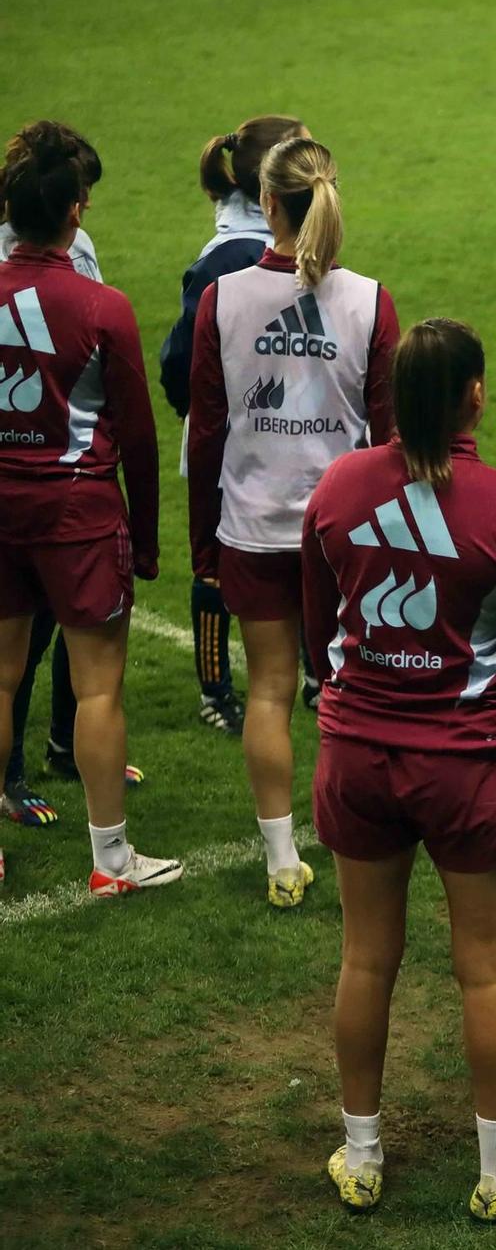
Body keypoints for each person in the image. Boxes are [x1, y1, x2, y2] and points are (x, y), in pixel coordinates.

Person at [301, 318, 496, 1219]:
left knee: (365, 959)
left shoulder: (337, 489)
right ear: (474, 395)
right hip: (470, 768)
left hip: (359, 757)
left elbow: (317, 631)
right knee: (486, 973)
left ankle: (361, 1155)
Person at [188, 136, 398, 908]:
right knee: (353, 687)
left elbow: (207, 431)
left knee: (271, 690)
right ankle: (364, 842)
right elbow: (389, 437)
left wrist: (202, 543)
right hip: (345, 534)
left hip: (252, 524)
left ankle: (282, 859)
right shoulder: (371, 300)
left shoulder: (224, 298)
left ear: (265, 203)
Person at [0, 122, 177, 894]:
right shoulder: (105, 307)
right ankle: (111, 860)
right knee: (97, 685)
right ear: (75, 210)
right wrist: (145, 538)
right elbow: (138, 436)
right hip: (77, 512)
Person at [161, 114, 309, 735]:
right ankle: (216, 689)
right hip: (238, 441)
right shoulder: (237, 257)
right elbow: (179, 363)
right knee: (218, 564)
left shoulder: (246, 241)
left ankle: (305, 668)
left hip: (272, 432)